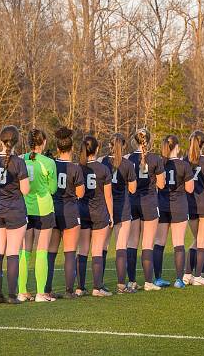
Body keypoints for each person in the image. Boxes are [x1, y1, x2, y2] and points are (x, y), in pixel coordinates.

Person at [0, 126, 30, 304]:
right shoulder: (18, 162)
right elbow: (25, 190)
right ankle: (12, 295)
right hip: (15, 210)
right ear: (17, 141)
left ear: (0, 140)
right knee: (12, 253)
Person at [18, 129, 57, 303]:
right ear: (44, 142)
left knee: (25, 252)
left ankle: (22, 291)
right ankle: (41, 293)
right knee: (41, 251)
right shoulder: (48, 162)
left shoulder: (21, 159)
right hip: (44, 210)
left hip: (25, 209)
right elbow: (53, 188)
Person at [46, 127, 85, 299]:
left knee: (51, 253)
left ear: (57, 149)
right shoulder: (75, 168)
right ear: (71, 148)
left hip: (53, 211)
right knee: (70, 252)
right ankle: (69, 290)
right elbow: (80, 193)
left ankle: (46, 289)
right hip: (70, 212)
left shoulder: (51, 165)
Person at [127, 128, 165, 291]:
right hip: (149, 202)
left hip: (132, 202)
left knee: (132, 242)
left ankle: (131, 281)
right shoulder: (155, 158)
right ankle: (149, 282)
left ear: (134, 141)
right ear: (148, 141)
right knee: (147, 243)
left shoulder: (128, 159)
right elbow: (162, 184)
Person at [153, 135, 194, 289]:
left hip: (162, 205)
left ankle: (157, 278)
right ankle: (178, 279)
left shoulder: (159, 163)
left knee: (159, 243)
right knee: (178, 243)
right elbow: (190, 189)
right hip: (179, 206)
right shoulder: (183, 165)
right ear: (176, 147)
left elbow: (158, 185)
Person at [76, 136, 114, 297]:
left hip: (82, 211)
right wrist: (111, 215)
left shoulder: (79, 167)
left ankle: (80, 287)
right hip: (99, 212)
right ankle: (97, 287)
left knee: (82, 249)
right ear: (97, 149)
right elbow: (108, 196)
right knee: (97, 250)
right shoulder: (103, 168)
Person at [101, 133, 137, 294]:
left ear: (109, 145)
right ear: (123, 146)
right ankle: (122, 285)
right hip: (122, 207)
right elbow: (132, 189)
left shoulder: (102, 161)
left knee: (102, 247)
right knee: (121, 246)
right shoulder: (127, 164)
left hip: (104, 208)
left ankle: (98, 283)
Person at [182, 131, 204, 286]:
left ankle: (187, 274)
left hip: (189, 205)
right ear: (203, 143)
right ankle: (198, 276)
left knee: (196, 240)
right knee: (202, 240)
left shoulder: (184, 161)